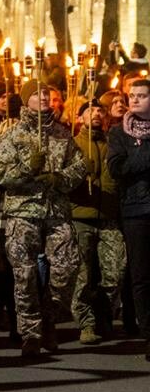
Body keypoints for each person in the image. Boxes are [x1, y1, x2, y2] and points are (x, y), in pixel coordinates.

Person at [0, 80, 86, 356]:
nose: (44, 97)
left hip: (55, 210)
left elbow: (78, 167)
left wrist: (60, 178)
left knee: (68, 266)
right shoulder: (13, 134)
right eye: (37, 94)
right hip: (22, 211)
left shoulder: (62, 133)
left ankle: (49, 318)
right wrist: (25, 169)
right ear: (25, 100)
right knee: (25, 274)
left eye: (47, 93)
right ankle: (30, 332)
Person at [70, 100, 125, 345]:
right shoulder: (73, 145)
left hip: (108, 216)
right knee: (83, 274)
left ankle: (105, 315)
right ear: (80, 117)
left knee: (115, 271)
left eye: (100, 111)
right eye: (90, 110)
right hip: (81, 216)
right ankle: (86, 323)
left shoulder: (112, 143)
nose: (96, 114)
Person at [107, 78, 150, 360]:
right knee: (141, 276)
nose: (134, 100)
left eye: (142, 96)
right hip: (136, 210)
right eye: (131, 95)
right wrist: (146, 155)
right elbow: (116, 168)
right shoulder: (119, 134)